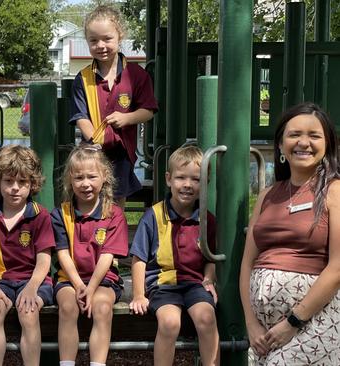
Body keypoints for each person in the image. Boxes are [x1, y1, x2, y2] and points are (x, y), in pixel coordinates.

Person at [239, 102, 340, 365]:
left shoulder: (334, 191)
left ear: (327, 144)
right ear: (281, 144)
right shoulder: (267, 196)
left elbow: (338, 267)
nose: (303, 143)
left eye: (314, 135)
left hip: (313, 322)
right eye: (294, 134)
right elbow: (247, 263)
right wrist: (251, 324)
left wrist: (293, 322)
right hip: (264, 332)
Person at [129, 145, 219, 366]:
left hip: (194, 284)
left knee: (207, 318)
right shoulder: (154, 216)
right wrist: (139, 295)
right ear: (169, 179)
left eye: (196, 179)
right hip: (163, 285)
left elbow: (211, 257)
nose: (187, 185)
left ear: (205, 183)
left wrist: (208, 279)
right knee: (169, 323)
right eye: (180, 178)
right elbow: (139, 259)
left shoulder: (206, 219)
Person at [0, 145, 55, 366]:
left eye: (22, 182)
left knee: (28, 311)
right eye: (8, 182)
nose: (15, 188)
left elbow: (44, 258)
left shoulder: (40, 215)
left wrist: (32, 287)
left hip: (34, 280)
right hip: (0, 280)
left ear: (32, 184)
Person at [69, 5, 158, 207]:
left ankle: (116, 236)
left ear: (120, 36)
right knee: (89, 200)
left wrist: (127, 118)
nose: (101, 45)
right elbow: (80, 115)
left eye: (107, 39)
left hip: (121, 152)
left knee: (116, 202)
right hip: (92, 153)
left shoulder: (136, 74)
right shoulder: (83, 78)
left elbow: (148, 110)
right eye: (94, 40)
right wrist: (94, 142)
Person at [51, 146, 129, 366]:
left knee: (103, 307)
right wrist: (78, 285)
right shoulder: (60, 214)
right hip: (70, 278)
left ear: (104, 176)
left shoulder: (114, 214)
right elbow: (63, 254)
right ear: (69, 180)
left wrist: (92, 287)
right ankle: (66, 363)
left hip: (103, 279)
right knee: (67, 307)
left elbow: (107, 256)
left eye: (92, 176)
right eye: (79, 178)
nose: (85, 183)